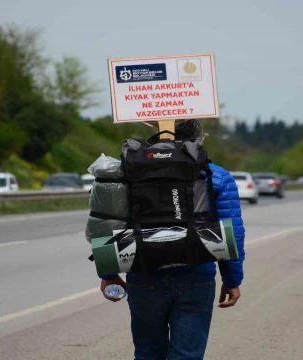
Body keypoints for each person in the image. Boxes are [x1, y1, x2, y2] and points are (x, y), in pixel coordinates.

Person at [99, 119, 246, 360]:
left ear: (159, 130)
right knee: (186, 355)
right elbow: (233, 233)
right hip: (196, 274)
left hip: (142, 271)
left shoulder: (131, 170)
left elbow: (107, 222)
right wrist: (232, 279)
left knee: (148, 353)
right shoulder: (215, 175)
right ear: (200, 138)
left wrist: (108, 275)